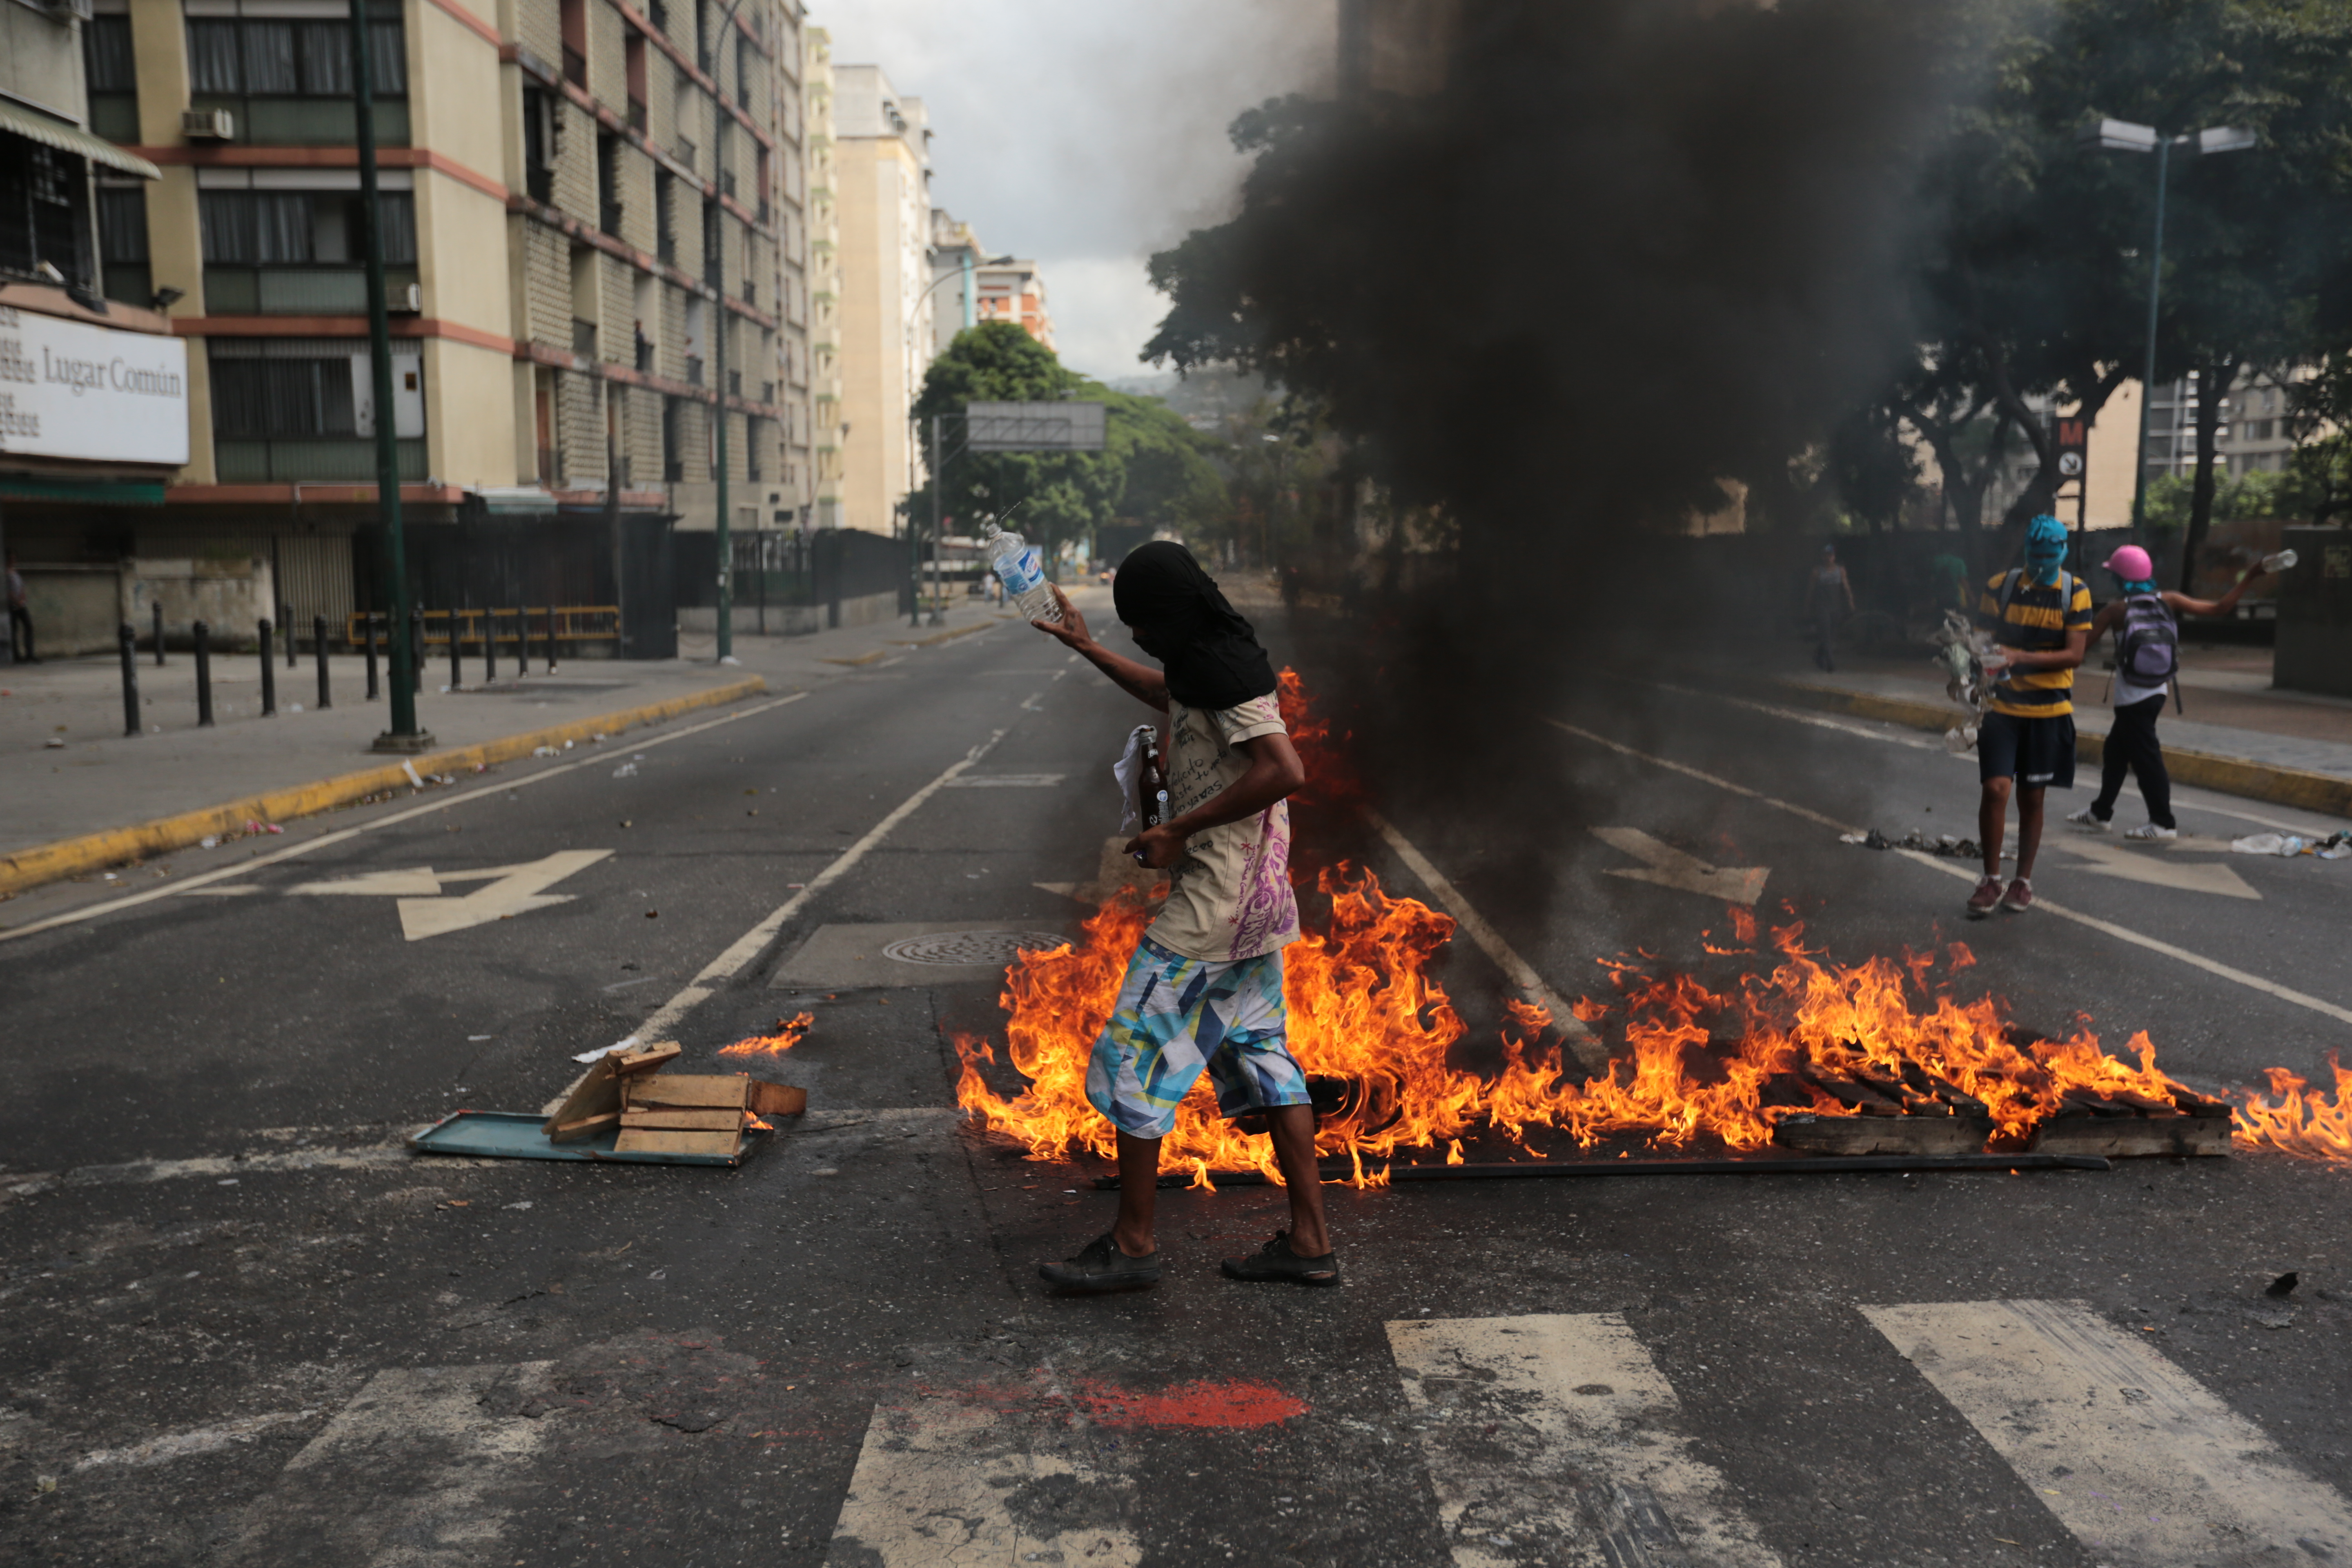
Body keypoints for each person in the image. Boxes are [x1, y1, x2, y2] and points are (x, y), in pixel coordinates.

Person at [1026, 543, 1334, 1292]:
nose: (1138, 636)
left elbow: (1284, 768)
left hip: (1212, 913)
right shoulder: (1208, 659)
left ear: (1172, 612)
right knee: (1265, 1061)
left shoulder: (1230, 676)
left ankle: (1133, 1246)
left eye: (1141, 623)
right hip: (1254, 915)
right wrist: (1088, 647)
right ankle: (1310, 1243)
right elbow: (1172, 697)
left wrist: (1179, 830)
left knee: (1128, 1062)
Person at [2066, 543, 2272, 841]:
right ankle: (2100, 813)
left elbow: (2079, 650)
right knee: (2115, 751)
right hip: (2159, 691)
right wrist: (2252, 574)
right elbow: (2221, 608)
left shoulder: (2115, 610)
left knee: (2147, 760)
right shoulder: (2170, 600)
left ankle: (2163, 823)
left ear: (2120, 578)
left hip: (2131, 698)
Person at [1968, 514, 2093, 918]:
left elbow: (2075, 654)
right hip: (2002, 708)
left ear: (2062, 551)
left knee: (2032, 797)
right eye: (2034, 554)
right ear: (2026, 551)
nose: (2041, 562)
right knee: (1996, 790)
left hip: (2049, 711)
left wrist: (2020, 656)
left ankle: (2022, 881)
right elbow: (1982, 638)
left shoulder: (2075, 593)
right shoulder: (2000, 587)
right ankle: (1990, 879)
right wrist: (1976, 662)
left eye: (2048, 554)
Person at [1802, 543, 1855, 671]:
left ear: (1834, 557)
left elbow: (1846, 588)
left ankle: (1819, 656)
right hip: (1822, 608)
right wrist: (1807, 607)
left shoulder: (1840, 571)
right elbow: (1810, 590)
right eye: (1826, 555)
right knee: (1825, 635)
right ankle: (1830, 664)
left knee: (1832, 636)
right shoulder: (1817, 571)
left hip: (1836, 607)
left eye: (1830, 555)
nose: (1828, 558)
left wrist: (1851, 602)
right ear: (1822, 557)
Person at [5, 552, 31, 664]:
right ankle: (16, 655)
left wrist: (22, 598)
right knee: (14, 630)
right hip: (12, 605)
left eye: (15, 558)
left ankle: (30, 654)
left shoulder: (15, 572)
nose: (14, 560)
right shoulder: (5, 573)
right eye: (12, 558)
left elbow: (21, 587)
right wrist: (16, 601)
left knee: (28, 626)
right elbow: (8, 590)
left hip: (21, 604)